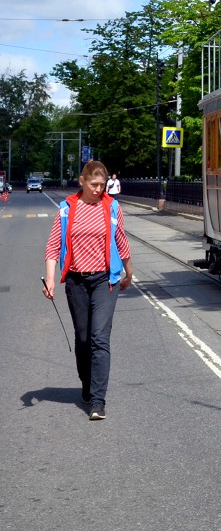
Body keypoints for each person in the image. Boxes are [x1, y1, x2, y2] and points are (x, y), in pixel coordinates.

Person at [42, 160, 133, 420]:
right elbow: (52, 248)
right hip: (76, 281)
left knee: (99, 338)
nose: (98, 189)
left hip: (106, 280)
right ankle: (86, 383)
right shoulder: (67, 209)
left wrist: (129, 272)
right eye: (94, 184)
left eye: (102, 185)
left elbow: (122, 242)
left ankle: (97, 401)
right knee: (83, 339)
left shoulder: (112, 206)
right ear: (82, 181)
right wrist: (50, 280)